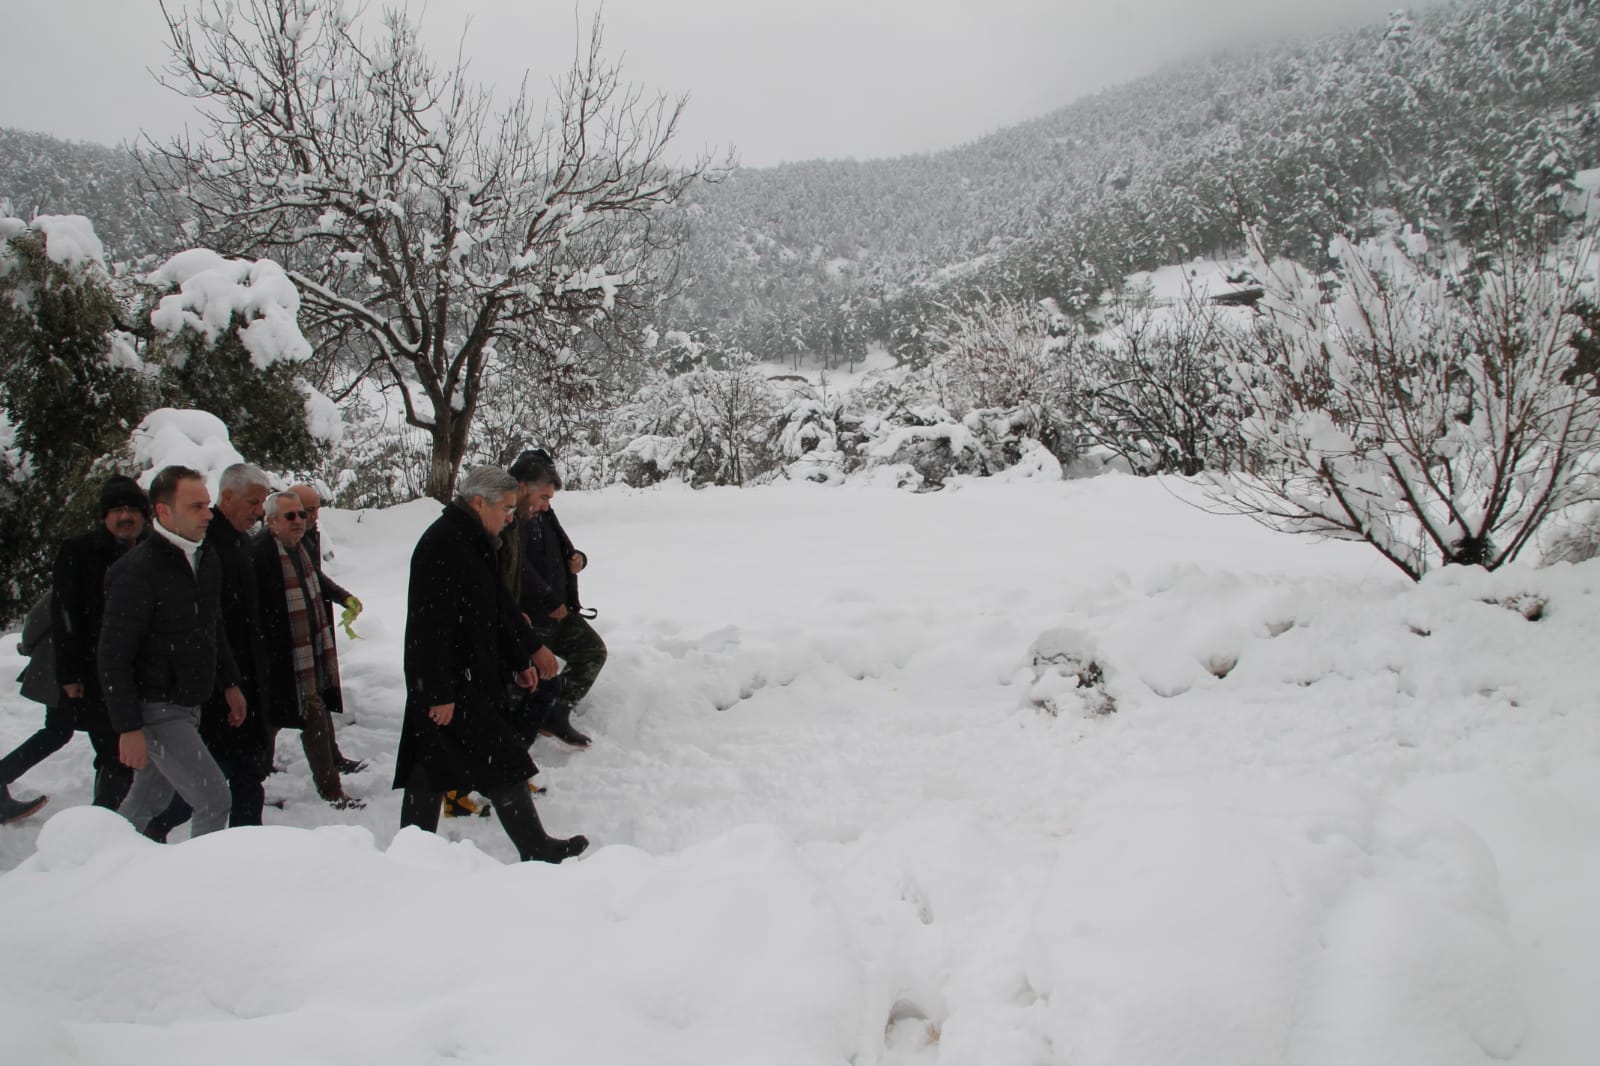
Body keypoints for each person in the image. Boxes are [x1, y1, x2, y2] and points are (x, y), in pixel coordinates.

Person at [394, 465, 587, 863]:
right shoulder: (443, 544)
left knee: (430, 772)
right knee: (496, 762)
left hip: (465, 678)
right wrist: (437, 692)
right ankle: (535, 848)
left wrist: (522, 656)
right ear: (478, 502)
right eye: (506, 508)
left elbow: (496, 607)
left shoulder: (475, 538)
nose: (511, 517)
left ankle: (410, 856)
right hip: (449, 683)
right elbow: (427, 627)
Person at [99, 465, 246, 839]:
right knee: (214, 799)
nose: (208, 514)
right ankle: (198, 891)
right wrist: (129, 727)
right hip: (155, 707)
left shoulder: (204, 556)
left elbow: (213, 626)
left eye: (207, 505)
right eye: (196, 506)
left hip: (190, 701)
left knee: (149, 799)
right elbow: (113, 655)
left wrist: (229, 683)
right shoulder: (135, 571)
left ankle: (97, 862)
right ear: (164, 513)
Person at [0, 475, 149, 823]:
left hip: (114, 668)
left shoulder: (149, 550)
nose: (124, 516)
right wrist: (70, 674)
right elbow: (64, 613)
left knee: (64, 734)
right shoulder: (79, 550)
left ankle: (102, 816)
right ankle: (102, 822)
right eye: (117, 510)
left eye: (131, 509)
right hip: (80, 669)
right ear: (103, 516)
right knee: (103, 745)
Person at [143, 462, 273, 840]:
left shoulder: (242, 541)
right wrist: (226, 681)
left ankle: (244, 847)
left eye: (262, 503)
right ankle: (155, 835)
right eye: (253, 501)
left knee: (246, 775)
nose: (258, 511)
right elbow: (205, 623)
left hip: (243, 678)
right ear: (226, 496)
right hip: (210, 687)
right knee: (208, 784)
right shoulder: (203, 542)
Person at [254, 491, 363, 809]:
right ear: (271, 521)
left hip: (305, 655)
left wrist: (345, 598)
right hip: (279, 660)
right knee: (275, 723)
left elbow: (317, 579)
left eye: (302, 514)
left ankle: (330, 787)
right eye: (291, 516)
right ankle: (258, 782)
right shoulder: (260, 554)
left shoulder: (301, 547)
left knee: (312, 716)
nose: (300, 521)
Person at [505, 448, 607, 749]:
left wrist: (579, 560)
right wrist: (549, 600)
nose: (547, 505)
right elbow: (517, 568)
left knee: (592, 652)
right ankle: (509, 747)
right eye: (544, 497)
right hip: (530, 615)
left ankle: (556, 714)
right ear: (523, 486)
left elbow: (562, 549)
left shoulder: (542, 514)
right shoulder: (509, 517)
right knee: (527, 679)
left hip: (560, 610)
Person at [287, 483, 365, 775]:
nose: (311, 516)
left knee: (317, 700)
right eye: (306, 511)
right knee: (308, 706)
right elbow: (314, 578)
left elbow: (315, 578)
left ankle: (332, 759)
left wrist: (343, 598)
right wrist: (342, 596)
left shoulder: (308, 536)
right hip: (294, 639)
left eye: (315, 509)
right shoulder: (286, 542)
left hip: (314, 631)